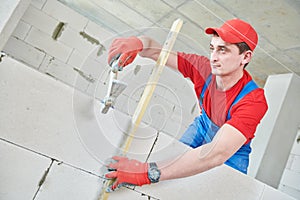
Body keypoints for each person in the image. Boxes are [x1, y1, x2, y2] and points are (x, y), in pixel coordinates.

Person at [105, 18, 268, 191]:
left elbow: (217, 152)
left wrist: (147, 172)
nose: (213, 58)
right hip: (203, 126)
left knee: (218, 192)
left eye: (223, 50)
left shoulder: (254, 100)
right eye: (212, 48)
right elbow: (156, 51)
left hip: (232, 151)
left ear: (245, 57)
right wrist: (137, 43)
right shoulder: (203, 68)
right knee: (174, 175)